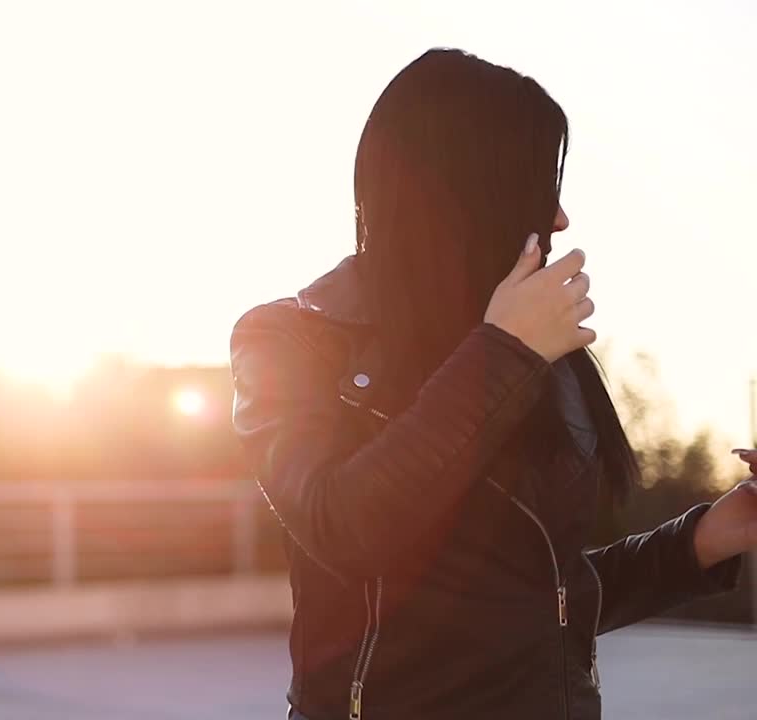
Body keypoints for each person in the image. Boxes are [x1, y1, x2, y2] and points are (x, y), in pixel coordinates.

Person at [229, 48, 756, 720]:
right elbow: (344, 529)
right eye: (538, 185)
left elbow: (540, 602)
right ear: (467, 192)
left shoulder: (535, 352)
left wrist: (709, 534)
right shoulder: (292, 339)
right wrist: (504, 352)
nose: (560, 218)